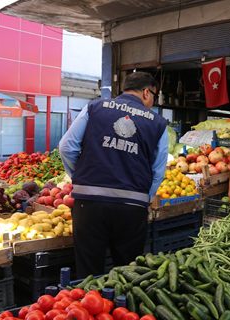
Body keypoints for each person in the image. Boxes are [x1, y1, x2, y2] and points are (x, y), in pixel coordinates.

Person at [59, 72, 168, 278]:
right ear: (146, 92)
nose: (152, 102)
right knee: (127, 275)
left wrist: (81, 178)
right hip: (131, 208)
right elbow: (158, 171)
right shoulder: (158, 123)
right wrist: (143, 197)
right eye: (154, 96)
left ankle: (88, 306)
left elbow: (66, 147)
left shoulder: (94, 108)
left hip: (88, 204)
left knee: (88, 276)